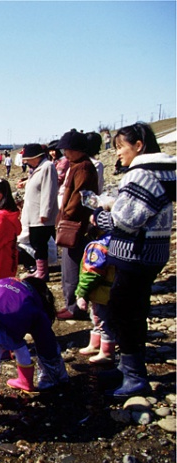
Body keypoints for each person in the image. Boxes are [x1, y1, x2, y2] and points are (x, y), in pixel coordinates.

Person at [91, 122, 176, 398]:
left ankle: (134, 375)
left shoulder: (140, 174)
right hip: (154, 252)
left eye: (120, 147)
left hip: (134, 253)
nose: (117, 154)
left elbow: (126, 221)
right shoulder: (165, 172)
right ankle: (127, 367)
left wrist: (99, 215)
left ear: (139, 146)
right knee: (135, 310)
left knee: (124, 313)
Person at [0, 277, 69, 404]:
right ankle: (15, 386)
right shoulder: (33, 302)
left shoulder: (5, 284)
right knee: (8, 346)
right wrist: (50, 355)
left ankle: (0, 390)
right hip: (9, 314)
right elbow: (44, 337)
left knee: (0, 347)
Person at [55, 130, 99, 320]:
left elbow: (79, 197)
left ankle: (74, 307)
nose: (64, 153)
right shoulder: (77, 165)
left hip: (75, 225)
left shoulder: (83, 168)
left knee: (72, 264)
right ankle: (71, 304)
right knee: (69, 263)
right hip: (73, 223)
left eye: (67, 149)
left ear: (77, 149)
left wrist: (65, 217)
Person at [17, 144, 59, 281]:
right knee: (35, 242)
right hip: (32, 213)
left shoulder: (47, 167)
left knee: (40, 244)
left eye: (28, 159)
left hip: (40, 215)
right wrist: (25, 183)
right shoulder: (36, 169)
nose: (26, 162)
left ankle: (42, 272)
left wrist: (45, 212)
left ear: (35, 157)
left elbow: (49, 191)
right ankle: (40, 269)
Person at [75, 232, 116, 364]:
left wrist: (81, 292)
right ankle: (95, 344)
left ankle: (107, 352)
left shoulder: (99, 246)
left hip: (101, 291)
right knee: (96, 316)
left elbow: (92, 273)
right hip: (110, 290)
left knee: (103, 320)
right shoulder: (117, 240)